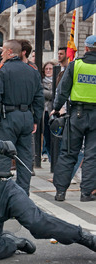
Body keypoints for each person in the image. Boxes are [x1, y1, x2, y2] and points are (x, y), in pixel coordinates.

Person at [0, 39, 44, 196]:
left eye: (3, 50)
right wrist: (36, 119)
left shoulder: (2, 70)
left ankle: (2, 193)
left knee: (4, 154)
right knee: (25, 157)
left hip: (8, 116)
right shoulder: (32, 71)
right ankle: (23, 194)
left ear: (10, 52)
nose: (1, 54)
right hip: (26, 116)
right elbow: (39, 98)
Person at [52, 35, 96, 202]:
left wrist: (56, 109)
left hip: (76, 115)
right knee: (92, 156)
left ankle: (60, 192)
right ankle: (86, 193)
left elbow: (63, 90)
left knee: (68, 152)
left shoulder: (75, 65)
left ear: (86, 48)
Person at [41, 61, 55, 162]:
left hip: (53, 113)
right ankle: (49, 157)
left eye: (50, 69)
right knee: (46, 137)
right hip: (43, 113)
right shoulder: (40, 82)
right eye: (46, 69)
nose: (48, 71)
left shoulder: (58, 81)